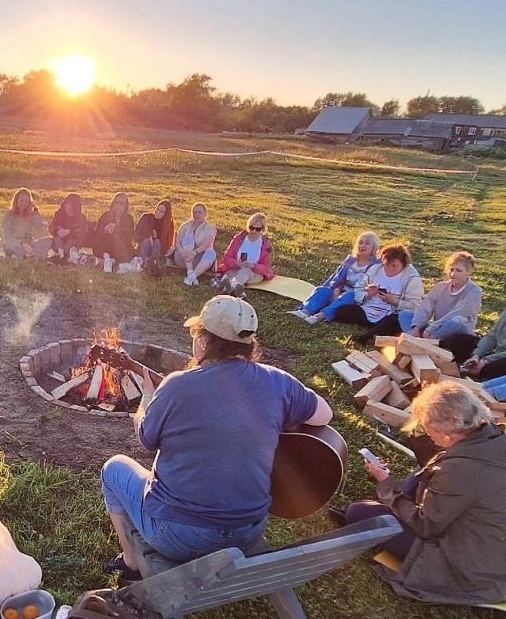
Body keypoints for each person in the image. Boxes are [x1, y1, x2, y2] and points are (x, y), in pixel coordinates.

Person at [100, 296, 333, 578]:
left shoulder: (177, 385)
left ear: (203, 341)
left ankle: (130, 562)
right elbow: (323, 415)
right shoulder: (278, 381)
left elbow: (146, 439)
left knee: (113, 468)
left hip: (180, 537)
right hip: (249, 530)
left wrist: (147, 397)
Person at [343, 381, 506, 605]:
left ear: (448, 428)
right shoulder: (496, 442)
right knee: (420, 475)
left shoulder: (461, 469)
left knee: (360, 512)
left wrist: (387, 485)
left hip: (482, 573)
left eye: (428, 429)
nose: (427, 434)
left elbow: (424, 526)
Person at [330, 243, 424, 340]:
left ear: (403, 264)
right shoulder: (376, 269)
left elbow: (414, 306)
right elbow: (359, 288)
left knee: (394, 322)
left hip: (390, 313)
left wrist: (394, 301)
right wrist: (367, 294)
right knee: (341, 311)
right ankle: (375, 327)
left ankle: (368, 337)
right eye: (387, 265)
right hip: (367, 309)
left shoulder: (411, 277)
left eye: (394, 266)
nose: (390, 268)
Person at [294, 231, 380, 324]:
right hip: (341, 290)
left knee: (349, 296)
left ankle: (321, 316)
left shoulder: (376, 265)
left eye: (367, 243)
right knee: (321, 290)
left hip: (356, 296)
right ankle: (306, 311)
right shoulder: (351, 260)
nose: (362, 245)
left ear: (373, 248)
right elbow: (338, 277)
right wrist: (337, 290)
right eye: (360, 242)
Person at [399, 251, 482, 339]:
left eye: (458, 270)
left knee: (457, 320)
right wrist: (416, 326)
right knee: (405, 314)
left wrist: (430, 329)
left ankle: (430, 341)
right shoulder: (440, 286)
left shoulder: (474, 291)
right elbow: (426, 307)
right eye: (451, 269)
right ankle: (413, 336)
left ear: (468, 272)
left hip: (457, 330)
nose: (453, 274)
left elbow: (458, 313)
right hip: (437, 328)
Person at [212, 212, 275, 298]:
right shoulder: (239, 238)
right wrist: (236, 263)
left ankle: (229, 289)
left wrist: (253, 266)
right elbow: (226, 258)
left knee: (245, 272)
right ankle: (237, 291)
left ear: (263, 229)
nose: (253, 231)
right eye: (251, 228)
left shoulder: (265, 244)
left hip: (254, 273)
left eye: (257, 229)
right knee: (229, 273)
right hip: (235, 269)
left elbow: (266, 267)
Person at [171, 203, 217, 286]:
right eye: (194, 212)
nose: (197, 215)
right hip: (182, 257)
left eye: (199, 212)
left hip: (200, 260)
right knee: (188, 240)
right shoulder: (185, 226)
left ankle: (192, 276)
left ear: (205, 214)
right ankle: (190, 271)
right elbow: (177, 241)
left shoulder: (210, 228)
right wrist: (182, 251)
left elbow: (206, 244)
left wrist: (195, 252)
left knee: (212, 253)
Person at [1, 187, 51, 260]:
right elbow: (7, 235)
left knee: (49, 240)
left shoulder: (31, 215)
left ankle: (27, 256)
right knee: (9, 245)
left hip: (29, 243)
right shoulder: (9, 215)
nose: (24, 204)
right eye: (21, 201)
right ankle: (20, 257)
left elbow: (40, 228)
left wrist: (36, 210)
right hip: (14, 243)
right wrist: (22, 244)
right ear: (16, 201)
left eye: (26, 202)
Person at [92, 192, 136, 269]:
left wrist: (117, 230)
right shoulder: (106, 215)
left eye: (121, 203)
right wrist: (106, 229)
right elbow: (97, 231)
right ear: (113, 203)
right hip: (106, 246)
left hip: (120, 247)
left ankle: (111, 261)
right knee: (105, 239)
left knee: (125, 250)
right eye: (116, 202)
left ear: (125, 206)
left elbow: (129, 237)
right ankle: (107, 258)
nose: (118, 205)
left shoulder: (129, 219)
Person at [49, 193, 91, 263]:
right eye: (67, 204)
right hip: (59, 240)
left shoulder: (81, 218)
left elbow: (83, 232)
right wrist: (58, 230)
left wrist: (69, 232)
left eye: (70, 205)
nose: (67, 206)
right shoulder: (59, 214)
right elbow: (51, 227)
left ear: (75, 206)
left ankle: (62, 257)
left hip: (73, 241)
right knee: (57, 239)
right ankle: (61, 255)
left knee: (71, 243)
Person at [134, 199, 174, 263]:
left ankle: (153, 264)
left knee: (157, 242)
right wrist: (149, 236)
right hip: (143, 247)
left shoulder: (168, 225)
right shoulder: (146, 217)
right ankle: (143, 263)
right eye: (158, 209)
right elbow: (135, 236)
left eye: (162, 212)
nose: (158, 213)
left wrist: (155, 238)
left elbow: (167, 245)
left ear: (166, 214)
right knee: (147, 241)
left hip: (158, 251)